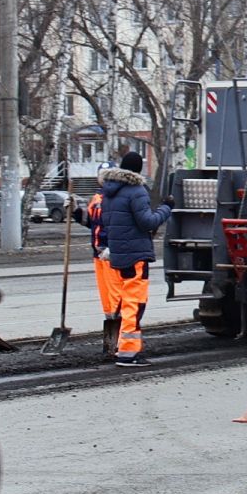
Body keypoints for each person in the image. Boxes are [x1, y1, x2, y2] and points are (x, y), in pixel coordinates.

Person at [98, 151, 171, 367]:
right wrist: (167, 208)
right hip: (136, 253)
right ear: (138, 170)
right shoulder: (136, 191)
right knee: (134, 303)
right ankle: (128, 353)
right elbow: (147, 222)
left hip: (119, 253)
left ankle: (125, 348)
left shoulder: (109, 193)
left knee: (125, 301)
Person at [83, 171, 130, 358]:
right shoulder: (96, 198)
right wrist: (76, 211)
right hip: (98, 253)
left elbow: (119, 224)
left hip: (110, 253)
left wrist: (112, 245)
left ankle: (121, 336)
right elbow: (90, 222)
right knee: (106, 298)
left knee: (116, 294)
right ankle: (112, 331)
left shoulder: (115, 198)